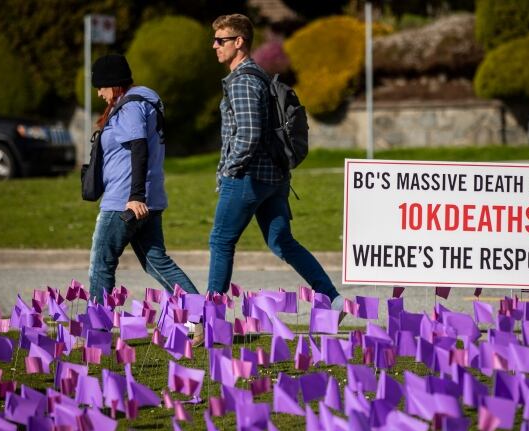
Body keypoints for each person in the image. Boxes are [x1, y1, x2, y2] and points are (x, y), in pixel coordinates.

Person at [198, 14, 345, 344]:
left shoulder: (242, 81)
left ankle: (210, 323)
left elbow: (247, 134)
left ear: (239, 42)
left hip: (248, 178)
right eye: (214, 40)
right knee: (282, 243)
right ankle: (334, 299)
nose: (214, 46)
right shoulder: (260, 77)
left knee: (221, 242)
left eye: (221, 40)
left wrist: (229, 169)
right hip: (274, 178)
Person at [87, 54, 199, 304]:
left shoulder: (130, 107)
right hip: (150, 198)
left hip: (124, 202)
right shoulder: (148, 101)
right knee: (156, 262)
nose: (98, 94)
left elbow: (139, 148)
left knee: (101, 266)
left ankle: (95, 334)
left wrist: (135, 196)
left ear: (114, 84)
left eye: (101, 87)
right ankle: (202, 318)